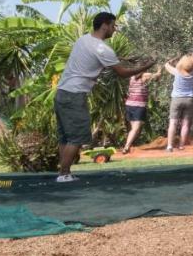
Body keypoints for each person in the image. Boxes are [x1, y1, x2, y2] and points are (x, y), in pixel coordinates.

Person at [54, 13, 154, 182]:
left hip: (62, 92)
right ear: (105, 25)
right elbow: (122, 73)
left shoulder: (83, 40)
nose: (114, 30)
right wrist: (146, 66)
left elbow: (97, 57)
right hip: (75, 95)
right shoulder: (102, 49)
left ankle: (64, 173)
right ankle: (64, 174)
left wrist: (122, 58)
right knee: (77, 137)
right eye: (113, 26)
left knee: (65, 136)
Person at [164, 54, 193, 152]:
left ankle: (169, 146)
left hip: (176, 99)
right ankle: (181, 146)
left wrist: (174, 58)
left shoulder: (177, 72)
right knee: (185, 124)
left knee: (173, 123)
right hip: (189, 99)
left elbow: (166, 65)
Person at [121, 65, 161, 154]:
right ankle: (126, 146)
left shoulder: (132, 77)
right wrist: (159, 69)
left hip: (129, 104)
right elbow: (157, 76)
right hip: (139, 106)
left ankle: (128, 145)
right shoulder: (145, 76)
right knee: (135, 129)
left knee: (134, 129)